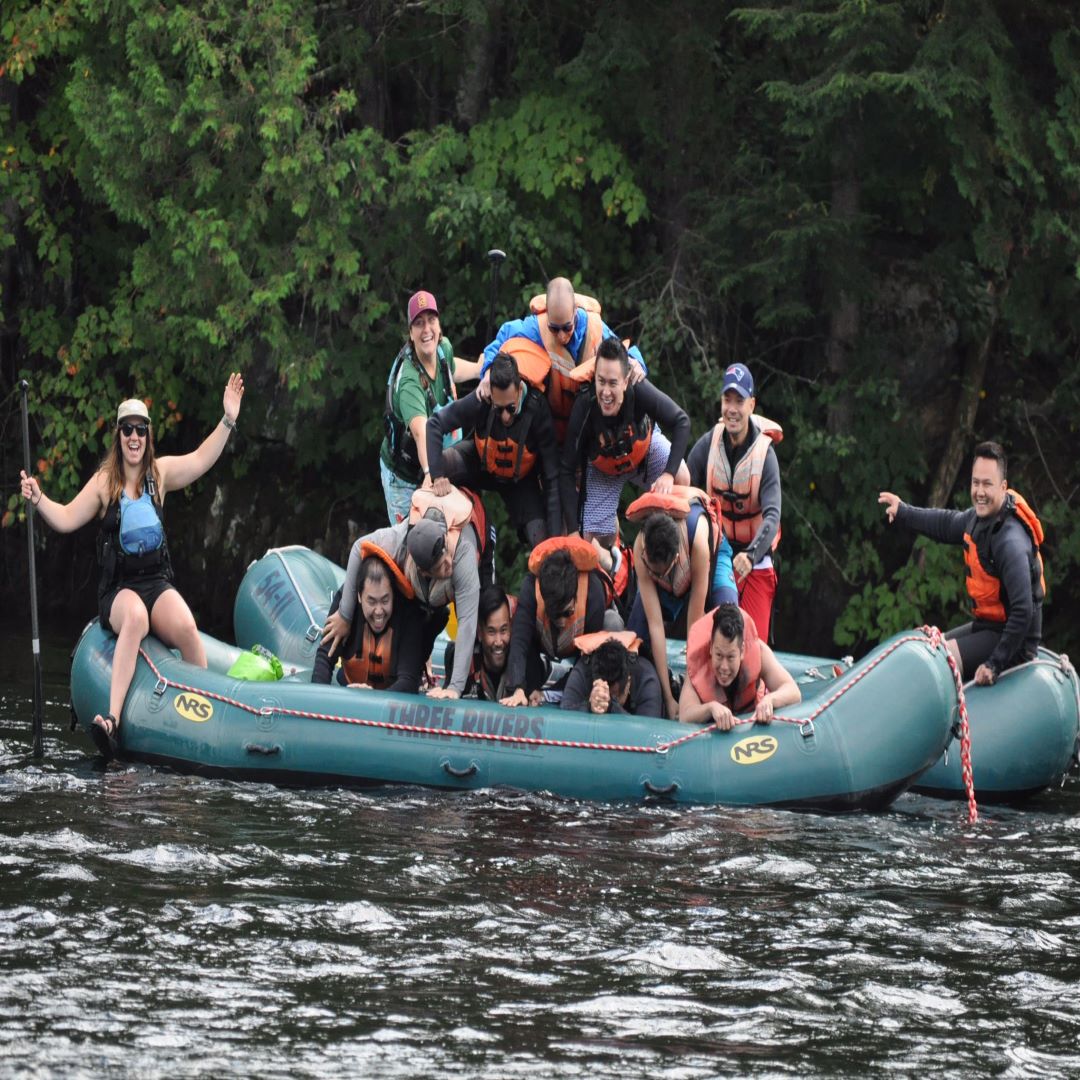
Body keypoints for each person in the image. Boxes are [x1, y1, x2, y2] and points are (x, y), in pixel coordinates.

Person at [18, 376, 245, 758]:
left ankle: (209, 718)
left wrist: (227, 420)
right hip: (119, 591)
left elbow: (202, 459)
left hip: (156, 582)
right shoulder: (105, 483)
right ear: (119, 437)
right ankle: (112, 719)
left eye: (140, 429)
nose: (134, 437)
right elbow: (67, 518)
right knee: (136, 619)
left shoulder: (161, 475)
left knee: (189, 628)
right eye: (127, 430)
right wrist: (39, 498)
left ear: (148, 435)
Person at [878, 441, 1044, 685]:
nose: (980, 491)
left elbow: (1023, 611)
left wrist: (994, 664)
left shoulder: (1010, 542)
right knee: (926, 649)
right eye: (976, 483)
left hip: (1014, 642)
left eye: (987, 484)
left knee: (938, 664)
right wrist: (903, 511)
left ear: (1003, 487)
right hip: (989, 627)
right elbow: (945, 524)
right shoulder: (980, 518)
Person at [323, 485, 490, 699]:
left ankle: (470, 679)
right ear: (422, 570)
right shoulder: (397, 541)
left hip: (473, 528)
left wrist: (455, 688)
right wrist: (345, 615)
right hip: (420, 596)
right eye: (441, 566)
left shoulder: (460, 553)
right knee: (420, 618)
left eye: (447, 557)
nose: (449, 564)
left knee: (482, 613)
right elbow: (358, 547)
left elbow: (467, 620)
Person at [561, 337, 691, 543]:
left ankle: (671, 550)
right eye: (601, 381)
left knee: (681, 477)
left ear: (626, 380)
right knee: (592, 539)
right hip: (603, 469)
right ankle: (616, 556)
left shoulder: (639, 388)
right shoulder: (584, 405)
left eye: (613, 383)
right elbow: (566, 469)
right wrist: (572, 532)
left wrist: (668, 473)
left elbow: (681, 421)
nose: (605, 392)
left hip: (643, 453)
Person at [481, 276, 647, 439]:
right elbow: (501, 340)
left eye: (567, 328)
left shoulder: (593, 326)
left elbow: (621, 350)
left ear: (575, 311)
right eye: (554, 329)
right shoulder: (535, 327)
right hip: (551, 423)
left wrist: (637, 362)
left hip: (587, 423)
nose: (561, 336)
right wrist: (489, 371)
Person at [624, 486, 738, 719]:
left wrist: (688, 697)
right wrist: (668, 698)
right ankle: (650, 694)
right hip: (667, 570)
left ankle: (725, 696)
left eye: (661, 573)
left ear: (674, 559)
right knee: (636, 633)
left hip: (710, 558)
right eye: (652, 571)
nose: (657, 576)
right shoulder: (641, 547)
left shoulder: (697, 541)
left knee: (729, 619)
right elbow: (656, 626)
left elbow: (694, 628)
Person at [687, 363, 782, 642]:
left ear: (751, 405)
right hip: (718, 557)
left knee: (753, 645)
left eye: (739, 401)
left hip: (756, 558)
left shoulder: (766, 456)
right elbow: (685, 491)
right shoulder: (708, 444)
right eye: (727, 400)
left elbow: (773, 515)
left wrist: (751, 555)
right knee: (719, 642)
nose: (732, 409)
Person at [426, 351, 562, 545]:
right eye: (499, 409)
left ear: (519, 389)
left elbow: (552, 475)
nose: (505, 416)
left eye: (511, 408)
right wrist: (437, 476)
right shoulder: (482, 397)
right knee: (439, 467)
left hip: (521, 481)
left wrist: (555, 537)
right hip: (480, 463)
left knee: (543, 543)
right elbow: (434, 425)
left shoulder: (537, 408)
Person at [380, 290, 483, 523]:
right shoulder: (409, 382)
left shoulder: (442, 348)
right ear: (410, 333)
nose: (426, 330)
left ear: (439, 325)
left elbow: (451, 369)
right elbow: (421, 431)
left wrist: (478, 369)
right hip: (404, 478)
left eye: (431, 320)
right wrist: (433, 475)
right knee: (411, 543)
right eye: (419, 323)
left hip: (435, 462)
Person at [500, 536, 616, 707]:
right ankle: (539, 674)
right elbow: (519, 641)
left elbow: (589, 661)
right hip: (542, 643)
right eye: (554, 614)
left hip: (583, 649)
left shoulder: (593, 592)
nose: (561, 622)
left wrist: (551, 692)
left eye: (567, 612)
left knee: (613, 623)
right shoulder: (531, 588)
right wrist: (518, 687)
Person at [312, 549, 428, 693]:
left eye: (385, 600)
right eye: (371, 601)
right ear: (359, 596)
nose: (379, 611)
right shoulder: (346, 605)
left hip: (391, 703)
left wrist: (371, 698)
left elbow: (409, 681)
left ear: (393, 594)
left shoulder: (408, 612)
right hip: (348, 690)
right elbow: (325, 658)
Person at [678, 604, 800, 729]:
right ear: (710, 648)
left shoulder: (759, 652)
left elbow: (793, 691)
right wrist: (711, 708)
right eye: (719, 655)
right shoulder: (698, 661)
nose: (724, 667)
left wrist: (770, 700)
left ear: (742, 651)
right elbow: (685, 715)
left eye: (730, 657)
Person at [441, 586, 547, 700]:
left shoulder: (527, 663)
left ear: (511, 628)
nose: (498, 642)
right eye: (491, 632)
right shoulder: (462, 662)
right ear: (480, 633)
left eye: (503, 630)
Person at [560, 631, 664, 718]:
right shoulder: (583, 670)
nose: (603, 698)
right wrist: (589, 706)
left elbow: (648, 733)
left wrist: (612, 707)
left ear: (628, 683)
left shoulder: (647, 680)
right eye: (602, 691)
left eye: (614, 695)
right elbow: (565, 714)